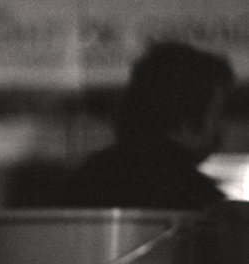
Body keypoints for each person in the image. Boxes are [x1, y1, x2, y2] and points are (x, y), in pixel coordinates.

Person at [62, 41, 235, 209]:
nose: (221, 128)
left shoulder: (87, 178)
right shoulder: (198, 199)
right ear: (187, 121)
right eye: (216, 115)